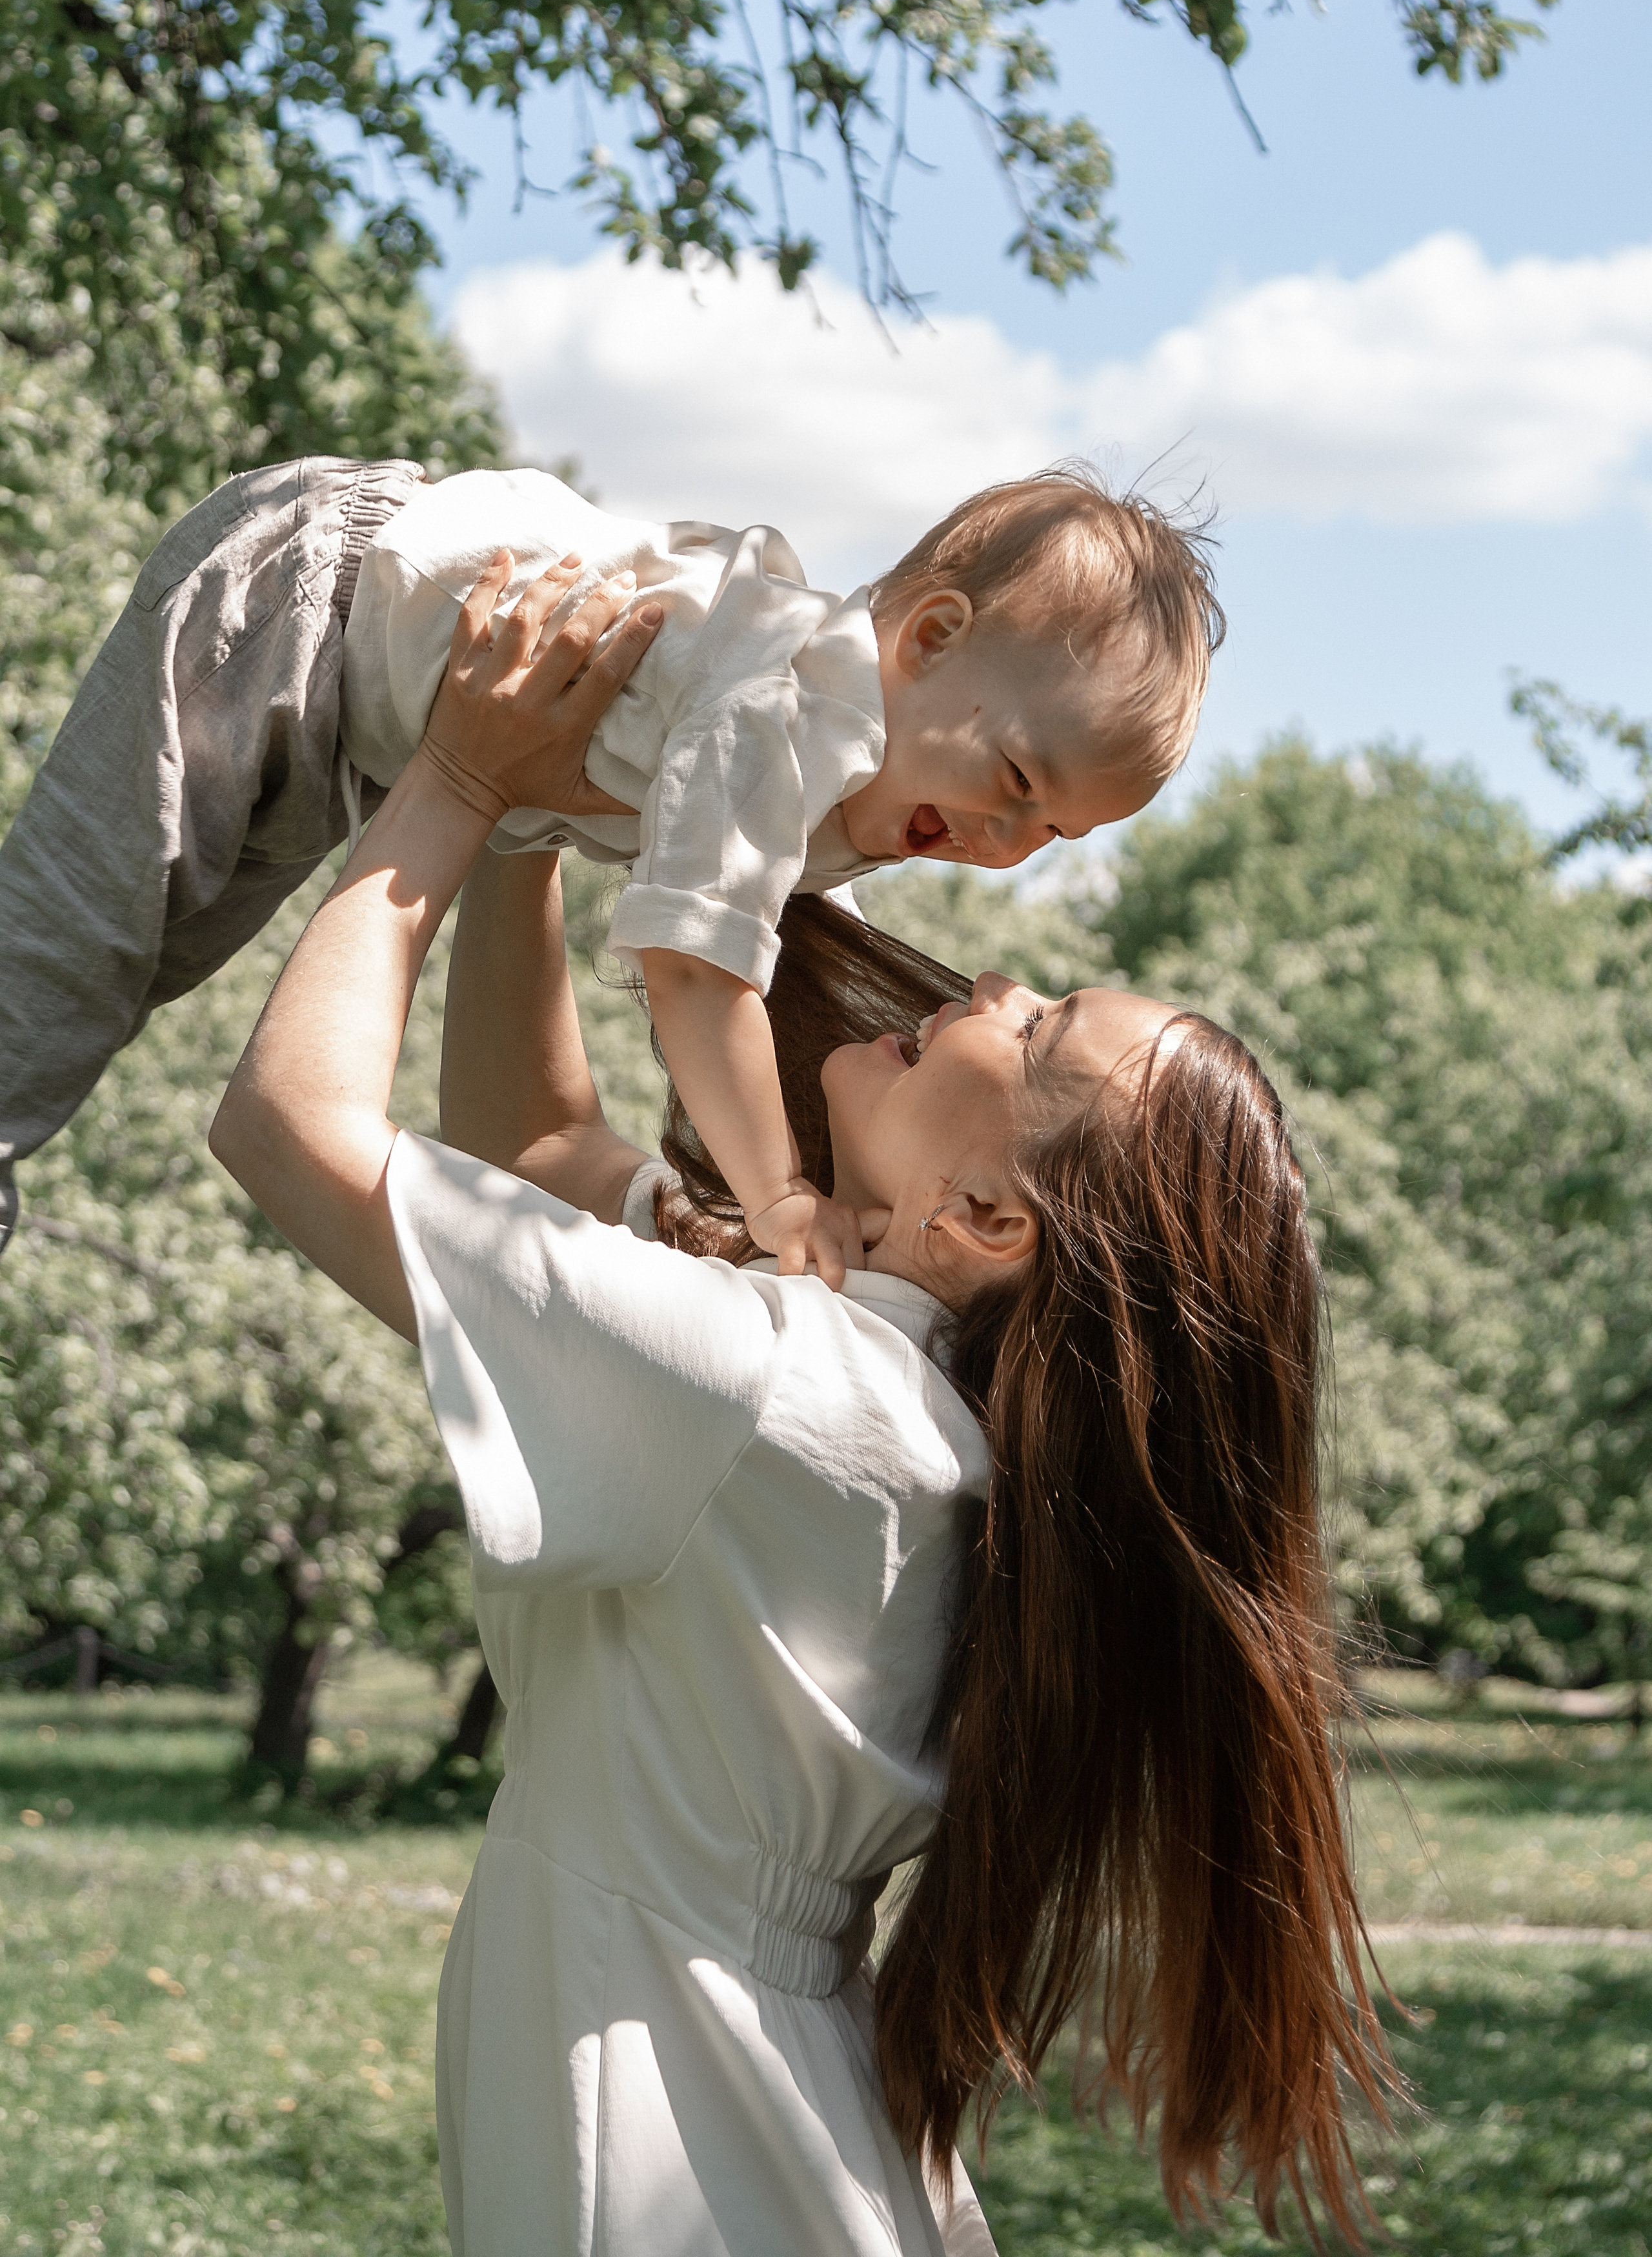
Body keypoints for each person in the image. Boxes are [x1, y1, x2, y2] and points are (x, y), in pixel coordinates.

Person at [210, 561, 1393, 2256]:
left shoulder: (786, 1392)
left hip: (679, 2108)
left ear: (993, 1221)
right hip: (752, 2091)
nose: (986, 985)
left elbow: (289, 1126)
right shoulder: (859, 1371)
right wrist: (570, 807)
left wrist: (456, 786)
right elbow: (531, 1145)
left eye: (1038, 1025)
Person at [0, 456, 1224, 1278]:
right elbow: (697, 975)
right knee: (69, 959)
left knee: (134, 967)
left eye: (1051, 836)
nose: (1003, 851)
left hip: (356, 736)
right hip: (307, 597)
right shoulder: (787, 714)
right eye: (1015, 785)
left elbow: (763, 956)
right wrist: (782, 1195)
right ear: (931, 638)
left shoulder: (864, 781)